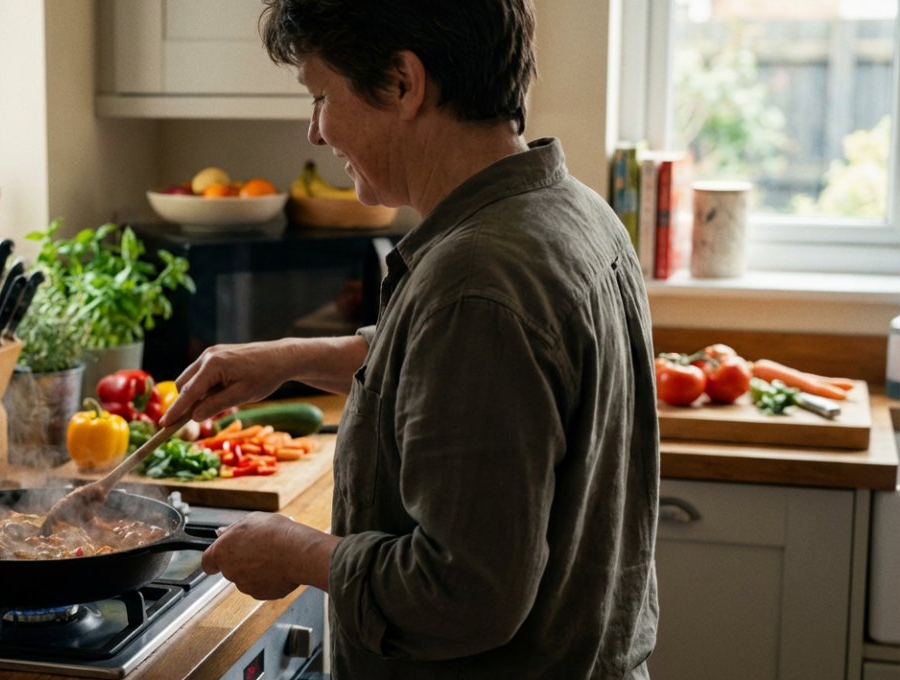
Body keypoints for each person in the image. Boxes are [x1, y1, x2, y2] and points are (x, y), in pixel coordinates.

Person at [159, 0, 660, 678]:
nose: (315, 132)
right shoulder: (571, 210)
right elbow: (456, 370)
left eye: (321, 96)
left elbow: (465, 592)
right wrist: (293, 358)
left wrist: (296, 552)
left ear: (402, 82)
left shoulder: (475, 280)